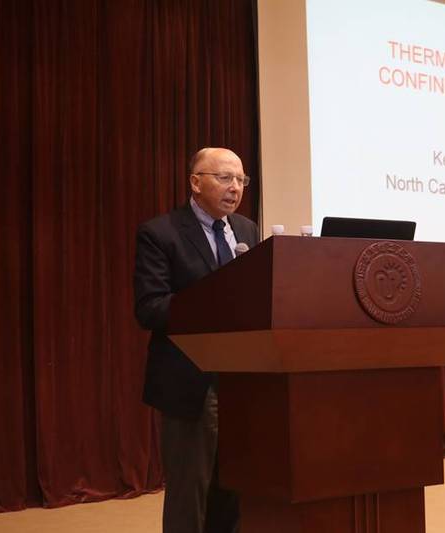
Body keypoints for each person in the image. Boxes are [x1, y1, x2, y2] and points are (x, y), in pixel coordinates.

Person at [134, 147, 259, 533]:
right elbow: (150, 308)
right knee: (190, 495)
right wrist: (213, 302)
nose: (235, 187)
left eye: (240, 179)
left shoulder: (247, 230)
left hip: (240, 381)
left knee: (233, 492)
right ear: (195, 182)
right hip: (189, 381)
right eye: (224, 178)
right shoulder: (161, 233)